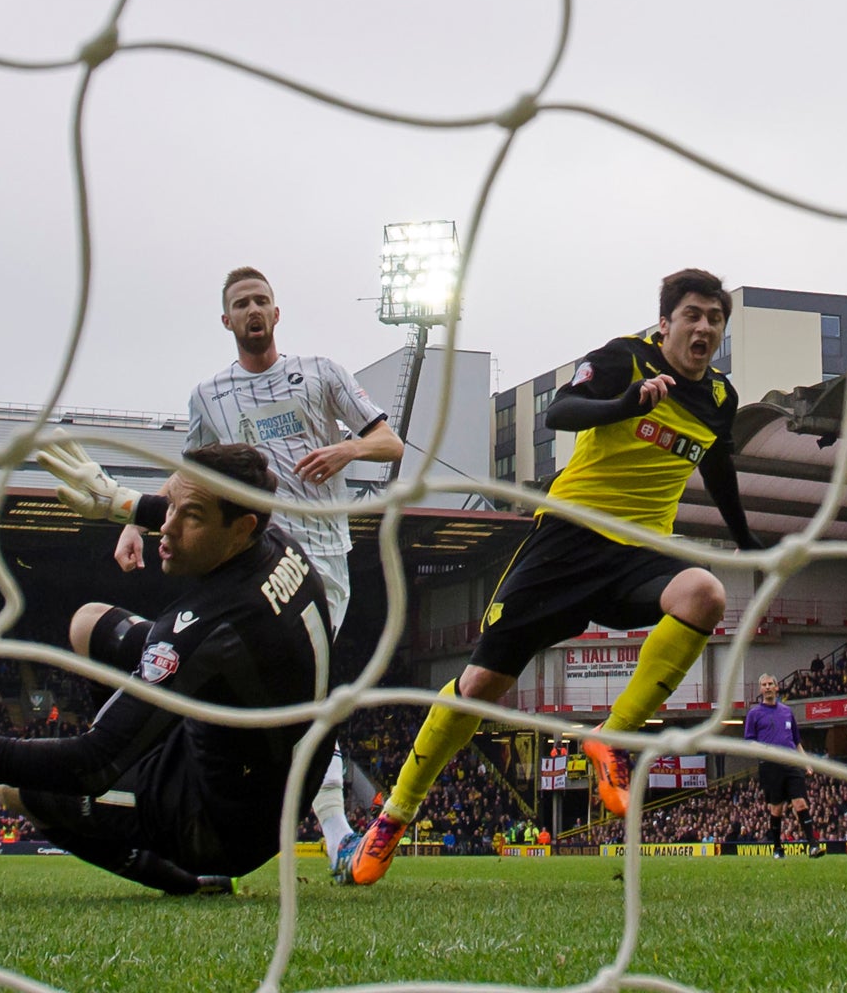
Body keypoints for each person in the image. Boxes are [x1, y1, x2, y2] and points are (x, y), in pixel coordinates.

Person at [340, 269, 759, 885]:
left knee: (706, 593)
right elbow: (561, 412)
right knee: (480, 684)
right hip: (566, 541)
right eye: (691, 315)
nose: (704, 327)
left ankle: (612, 739)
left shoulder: (721, 399)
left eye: (714, 318)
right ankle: (393, 817)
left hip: (639, 551)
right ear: (664, 323)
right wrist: (624, 404)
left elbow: (718, 464)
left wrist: (748, 541)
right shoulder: (625, 360)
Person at [0, 442, 333, 896]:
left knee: (16, 788)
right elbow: (188, 514)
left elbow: (92, 765)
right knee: (88, 623)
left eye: (192, 517)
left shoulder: (203, 628)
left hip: (224, 823)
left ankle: (191, 878)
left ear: (242, 527)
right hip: (271, 768)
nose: (165, 527)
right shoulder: (277, 542)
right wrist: (118, 501)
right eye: (172, 506)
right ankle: (145, 736)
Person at [110, 267, 401, 866]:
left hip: (318, 561)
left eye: (262, 301)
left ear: (276, 313)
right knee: (251, 689)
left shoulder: (321, 373)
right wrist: (136, 521)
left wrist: (345, 447)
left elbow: (390, 443)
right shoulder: (208, 395)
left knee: (296, 693)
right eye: (242, 303)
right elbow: (187, 480)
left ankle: (329, 832)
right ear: (227, 320)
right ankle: (311, 830)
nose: (253, 310)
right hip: (248, 556)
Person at [745, 674, 817, 858]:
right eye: (764, 684)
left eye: (770, 684)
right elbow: (749, 742)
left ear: (777, 687)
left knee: (800, 803)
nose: (768, 687)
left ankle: (813, 845)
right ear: (761, 689)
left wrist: (806, 761)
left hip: (791, 762)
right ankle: (777, 848)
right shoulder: (754, 713)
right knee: (776, 808)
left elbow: (796, 741)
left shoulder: (786, 711)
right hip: (770, 765)